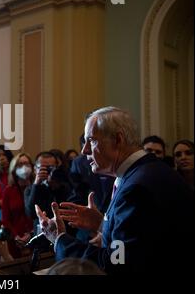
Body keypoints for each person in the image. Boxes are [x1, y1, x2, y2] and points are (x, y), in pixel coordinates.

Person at [38, 106, 194, 274]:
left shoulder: (136, 188)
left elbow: (115, 263)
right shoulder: (150, 170)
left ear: (118, 139)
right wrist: (102, 224)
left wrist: (59, 239)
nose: (85, 150)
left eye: (91, 140)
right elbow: (144, 238)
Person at [2, 153, 34, 258]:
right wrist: (16, 236)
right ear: (14, 169)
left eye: (26, 164)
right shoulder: (8, 191)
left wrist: (31, 234)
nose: (24, 167)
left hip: (35, 236)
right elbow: (6, 219)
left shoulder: (37, 188)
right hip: (15, 239)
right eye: (20, 165)